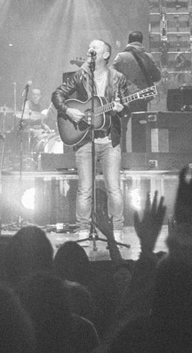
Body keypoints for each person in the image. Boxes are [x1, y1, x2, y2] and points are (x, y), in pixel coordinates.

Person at [53, 39, 128, 236]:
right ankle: (83, 229)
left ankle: (117, 229)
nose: (89, 49)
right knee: (84, 189)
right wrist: (68, 110)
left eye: (94, 47)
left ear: (105, 54)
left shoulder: (118, 78)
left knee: (114, 188)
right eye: (89, 47)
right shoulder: (81, 75)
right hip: (85, 139)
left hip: (110, 140)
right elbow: (57, 95)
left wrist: (121, 108)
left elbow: (125, 105)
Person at [110, 32, 162, 117]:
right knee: (140, 121)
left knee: (122, 122)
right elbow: (157, 77)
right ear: (141, 42)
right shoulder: (148, 57)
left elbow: (110, 76)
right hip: (141, 96)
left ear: (128, 41)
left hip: (123, 98)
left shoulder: (121, 57)